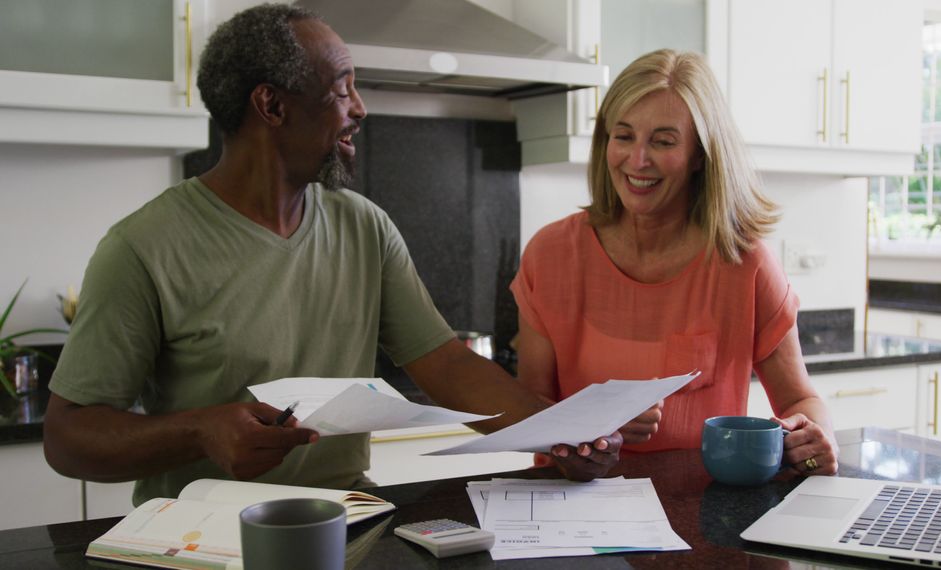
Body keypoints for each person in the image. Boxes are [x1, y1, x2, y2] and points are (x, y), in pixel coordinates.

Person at [42, 4, 620, 506]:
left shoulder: (363, 225)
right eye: (342, 88)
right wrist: (198, 432)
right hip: (200, 541)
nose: (360, 108)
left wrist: (557, 434)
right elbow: (68, 437)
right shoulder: (143, 247)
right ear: (271, 105)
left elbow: (444, 364)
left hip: (348, 523)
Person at [511, 49, 839, 477]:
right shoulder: (551, 253)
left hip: (700, 515)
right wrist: (588, 430)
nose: (638, 159)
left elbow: (800, 401)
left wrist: (814, 435)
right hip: (568, 506)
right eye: (624, 136)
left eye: (663, 141)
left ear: (700, 155)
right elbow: (528, 402)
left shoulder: (744, 262)